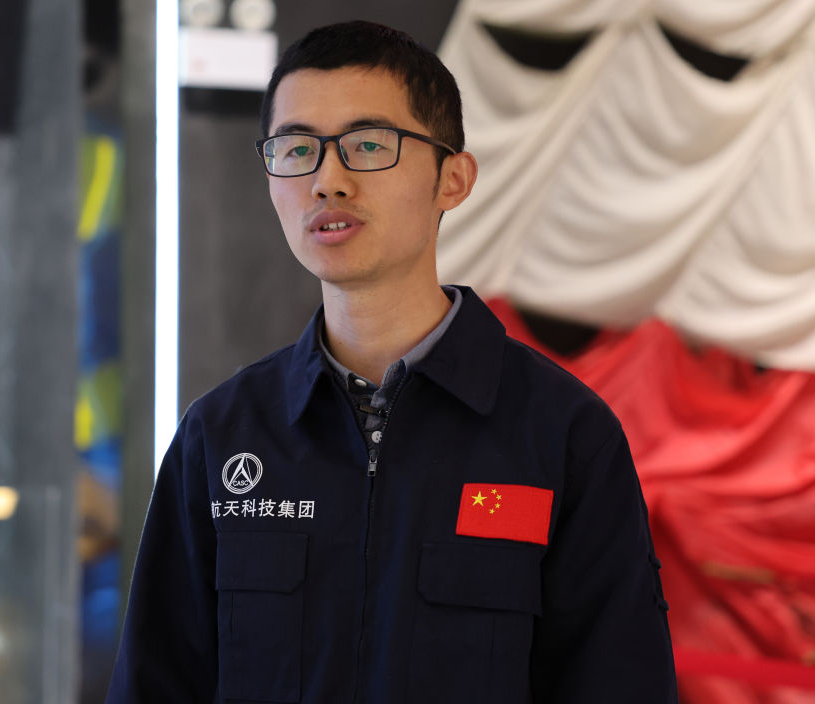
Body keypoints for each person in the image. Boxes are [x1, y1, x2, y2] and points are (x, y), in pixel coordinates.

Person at [107, 20, 677, 703]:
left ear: (453, 179)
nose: (328, 181)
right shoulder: (223, 435)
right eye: (297, 150)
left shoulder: (563, 435)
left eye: (369, 145)